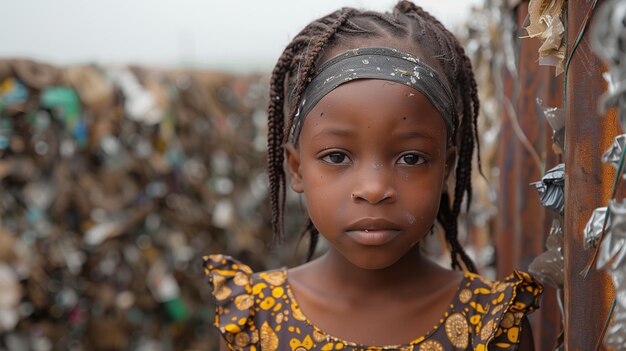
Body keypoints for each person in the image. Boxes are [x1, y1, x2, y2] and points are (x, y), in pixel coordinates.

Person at [203, 1, 543, 350]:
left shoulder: (494, 325)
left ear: (446, 168)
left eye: (411, 158)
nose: (374, 189)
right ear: (297, 168)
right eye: (336, 156)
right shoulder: (253, 319)